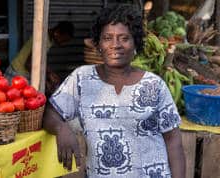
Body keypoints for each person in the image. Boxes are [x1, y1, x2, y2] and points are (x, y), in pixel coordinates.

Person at [43, 4, 186, 178]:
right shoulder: (82, 79)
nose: (115, 45)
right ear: (99, 44)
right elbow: (51, 111)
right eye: (108, 38)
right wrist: (61, 128)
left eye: (124, 38)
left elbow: (173, 141)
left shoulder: (154, 85)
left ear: (135, 44)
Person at [4, 21, 75, 96]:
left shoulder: (48, 39)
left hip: (21, 73)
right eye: (63, 40)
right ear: (57, 33)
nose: (62, 44)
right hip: (17, 74)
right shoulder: (42, 40)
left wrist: (49, 73)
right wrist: (44, 81)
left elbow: (39, 60)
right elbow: (29, 64)